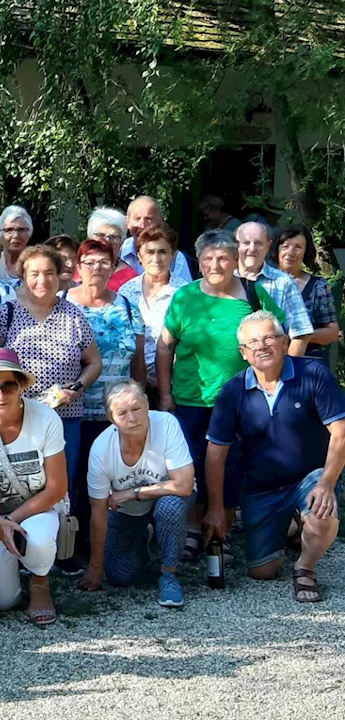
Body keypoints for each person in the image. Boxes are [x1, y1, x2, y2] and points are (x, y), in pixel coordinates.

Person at [157, 229, 286, 562]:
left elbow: (279, 338)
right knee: (191, 466)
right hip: (189, 399)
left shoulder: (254, 295)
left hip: (242, 402)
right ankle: (192, 530)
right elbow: (164, 346)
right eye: (208, 258)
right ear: (198, 262)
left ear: (235, 260)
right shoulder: (184, 297)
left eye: (223, 258)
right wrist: (166, 394)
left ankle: (222, 533)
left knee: (232, 468)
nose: (215, 264)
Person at [205, 311, 345, 602]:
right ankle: (293, 526)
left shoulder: (313, 373)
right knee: (263, 571)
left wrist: (327, 483)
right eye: (253, 342)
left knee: (322, 512)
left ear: (284, 342)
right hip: (261, 489)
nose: (262, 345)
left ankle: (305, 567)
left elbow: (341, 433)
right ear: (243, 353)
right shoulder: (232, 391)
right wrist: (217, 508)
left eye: (269, 337)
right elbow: (216, 454)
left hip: (309, 477)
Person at [0, 349, 68, 624]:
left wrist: (9, 521)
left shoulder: (46, 419)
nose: (0, 396)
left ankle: (40, 582)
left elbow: (56, 488)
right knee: (1, 601)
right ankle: (4, 569)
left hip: (37, 507)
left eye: (8, 386)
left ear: (21, 385)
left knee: (39, 540)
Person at [0, 245, 101, 521]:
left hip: (64, 416)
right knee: (21, 482)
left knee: (62, 481)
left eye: (49, 273)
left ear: (59, 276)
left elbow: (93, 363)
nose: (42, 280)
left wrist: (74, 390)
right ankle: (17, 540)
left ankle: (60, 548)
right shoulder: (8, 314)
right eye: (35, 273)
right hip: (19, 417)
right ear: (23, 276)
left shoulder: (73, 315)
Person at [79, 381, 194, 609]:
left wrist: (132, 493)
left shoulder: (166, 424)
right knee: (120, 577)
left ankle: (169, 574)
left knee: (170, 507)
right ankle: (144, 542)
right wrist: (95, 567)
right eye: (122, 413)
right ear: (111, 418)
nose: (132, 418)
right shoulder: (101, 449)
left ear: (147, 405)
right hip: (127, 512)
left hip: (166, 498)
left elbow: (184, 485)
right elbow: (99, 512)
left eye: (137, 408)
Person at [64, 239, 146, 549]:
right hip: (73, 411)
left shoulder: (126, 307)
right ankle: (72, 542)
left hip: (116, 414)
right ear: (77, 268)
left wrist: (141, 406)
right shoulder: (63, 303)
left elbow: (138, 363)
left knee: (108, 477)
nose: (96, 268)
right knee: (74, 476)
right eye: (90, 262)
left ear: (113, 267)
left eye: (104, 263)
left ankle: (106, 542)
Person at [117, 224, 189, 407]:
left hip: (173, 383)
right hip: (132, 382)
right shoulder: (126, 291)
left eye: (163, 251)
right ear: (139, 256)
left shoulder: (183, 293)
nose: (156, 258)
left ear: (173, 255)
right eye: (149, 252)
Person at [235, 221, 312, 356]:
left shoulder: (283, 282)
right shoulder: (224, 280)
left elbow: (300, 334)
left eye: (258, 243)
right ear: (236, 246)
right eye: (246, 243)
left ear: (268, 246)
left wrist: (284, 373)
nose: (252, 249)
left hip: (270, 373)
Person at [274, 224, 339, 358]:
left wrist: (303, 336)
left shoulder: (318, 286)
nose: (290, 252)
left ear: (306, 252)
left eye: (298, 247)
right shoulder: (262, 282)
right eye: (285, 246)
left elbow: (332, 333)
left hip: (307, 362)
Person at [117, 196, 193, 283]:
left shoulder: (175, 258)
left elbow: (185, 293)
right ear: (127, 221)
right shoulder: (118, 251)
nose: (142, 225)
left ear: (160, 221)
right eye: (137, 219)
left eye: (148, 219)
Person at [0, 205, 33, 287]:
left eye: (21, 230)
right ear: (0, 235)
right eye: (9, 230)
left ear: (29, 234)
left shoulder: (36, 265)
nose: (15, 236)